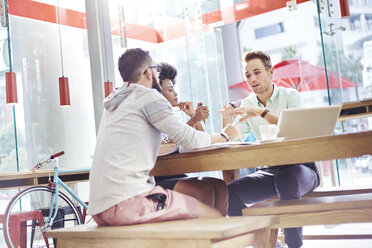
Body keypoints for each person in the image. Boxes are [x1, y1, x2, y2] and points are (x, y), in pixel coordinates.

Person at [88, 48, 241, 226]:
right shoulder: (148, 96)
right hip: (128, 202)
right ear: (148, 72)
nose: (157, 73)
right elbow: (191, 140)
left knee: (207, 208)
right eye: (156, 69)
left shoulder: (117, 100)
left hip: (99, 207)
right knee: (214, 218)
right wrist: (225, 136)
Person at [219, 51, 320, 248]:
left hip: (303, 168)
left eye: (257, 72)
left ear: (271, 72)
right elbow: (233, 136)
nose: (252, 79)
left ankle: (294, 246)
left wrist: (262, 112)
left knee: (286, 179)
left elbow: (296, 131)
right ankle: (265, 244)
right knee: (228, 193)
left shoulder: (290, 96)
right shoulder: (248, 103)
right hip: (270, 170)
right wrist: (227, 119)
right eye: (248, 75)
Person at [155, 62, 228, 216]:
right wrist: (193, 120)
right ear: (157, 95)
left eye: (174, 89)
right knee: (203, 188)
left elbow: (199, 139)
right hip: (158, 179)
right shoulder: (154, 119)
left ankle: (218, 236)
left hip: (178, 174)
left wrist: (194, 117)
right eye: (170, 90)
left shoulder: (174, 118)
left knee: (220, 186)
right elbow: (166, 146)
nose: (175, 93)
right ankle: (202, 236)